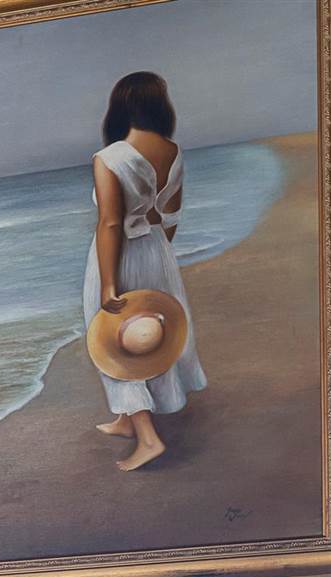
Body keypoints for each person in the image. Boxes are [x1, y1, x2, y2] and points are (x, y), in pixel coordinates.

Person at [87, 70, 204, 473]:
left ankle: (148, 438)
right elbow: (171, 214)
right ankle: (126, 419)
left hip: (121, 256)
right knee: (151, 333)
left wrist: (107, 283)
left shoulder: (110, 157)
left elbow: (110, 224)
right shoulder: (173, 150)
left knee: (116, 342)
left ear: (121, 106)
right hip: (157, 252)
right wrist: (159, 250)